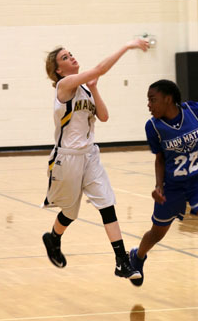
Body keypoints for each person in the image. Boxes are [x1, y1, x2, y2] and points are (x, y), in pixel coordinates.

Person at [41, 38, 149, 280]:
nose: (72, 58)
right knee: (70, 212)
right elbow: (100, 69)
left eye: (71, 54)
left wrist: (95, 87)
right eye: (65, 58)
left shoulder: (85, 88)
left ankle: (121, 261)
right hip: (67, 158)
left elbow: (104, 116)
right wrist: (127, 45)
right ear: (59, 70)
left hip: (90, 155)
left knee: (106, 204)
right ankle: (53, 237)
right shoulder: (64, 85)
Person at [129, 79, 198, 308]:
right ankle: (138, 256)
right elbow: (160, 158)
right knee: (157, 233)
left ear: (168, 98)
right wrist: (159, 186)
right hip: (173, 187)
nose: (149, 105)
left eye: (152, 99)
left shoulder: (194, 110)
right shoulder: (154, 127)